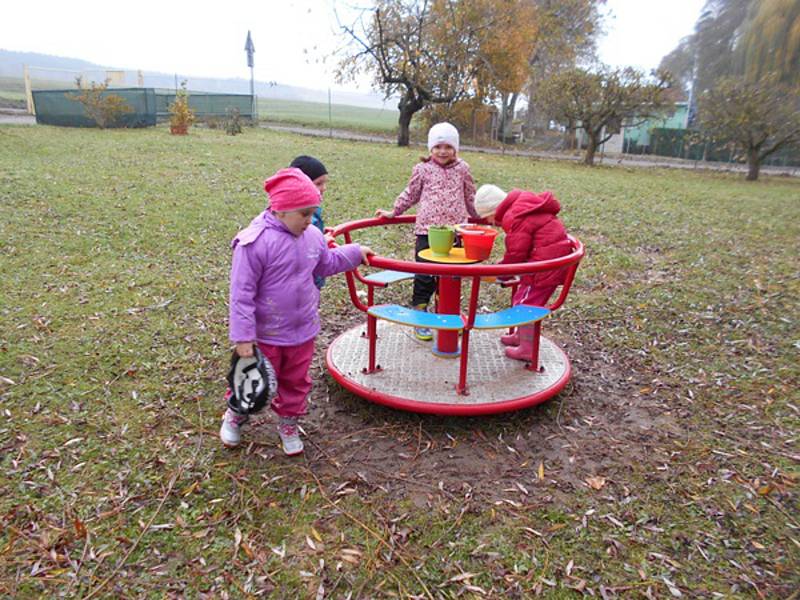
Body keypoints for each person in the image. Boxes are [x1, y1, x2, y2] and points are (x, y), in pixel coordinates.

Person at [221, 167, 373, 455]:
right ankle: (236, 415)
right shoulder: (254, 243)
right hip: (265, 335)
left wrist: (354, 253)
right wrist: (243, 338)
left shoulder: (312, 236)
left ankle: (288, 423)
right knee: (252, 379)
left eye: (312, 212)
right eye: (304, 213)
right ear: (280, 210)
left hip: (302, 330)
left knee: (296, 381)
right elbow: (241, 295)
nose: (310, 219)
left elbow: (326, 263)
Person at [375, 122, 479, 340]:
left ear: (455, 149)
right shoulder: (422, 169)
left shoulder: (463, 169)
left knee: (450, 276)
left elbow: (470, 196)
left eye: (448, 147)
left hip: (456, 231)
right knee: (424, 274)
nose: (443, 151)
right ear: (430, 149)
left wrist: (479, 216)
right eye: (438, 146)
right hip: (427, 231)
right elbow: (411, 194)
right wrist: (394, 211)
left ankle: (446, 315)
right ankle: (420, 315)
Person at [474, 184, 573, 361]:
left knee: (526, 307)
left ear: (494, 209)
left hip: (543, 268)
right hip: (544, 261)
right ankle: (521, 336)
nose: (489, 222)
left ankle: (527, 348)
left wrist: (501, 272)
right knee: (522, 299)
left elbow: (516, 253)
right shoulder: (521, 206)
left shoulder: (515, 217)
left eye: (487, 217)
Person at [289, 155, 329, 289]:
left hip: (313, 275)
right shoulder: (296, 217)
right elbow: (300, 243)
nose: (324, 188)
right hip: (304, 279)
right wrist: (323, 241)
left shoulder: (314, 210)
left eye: (325, 183)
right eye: (318, 183)